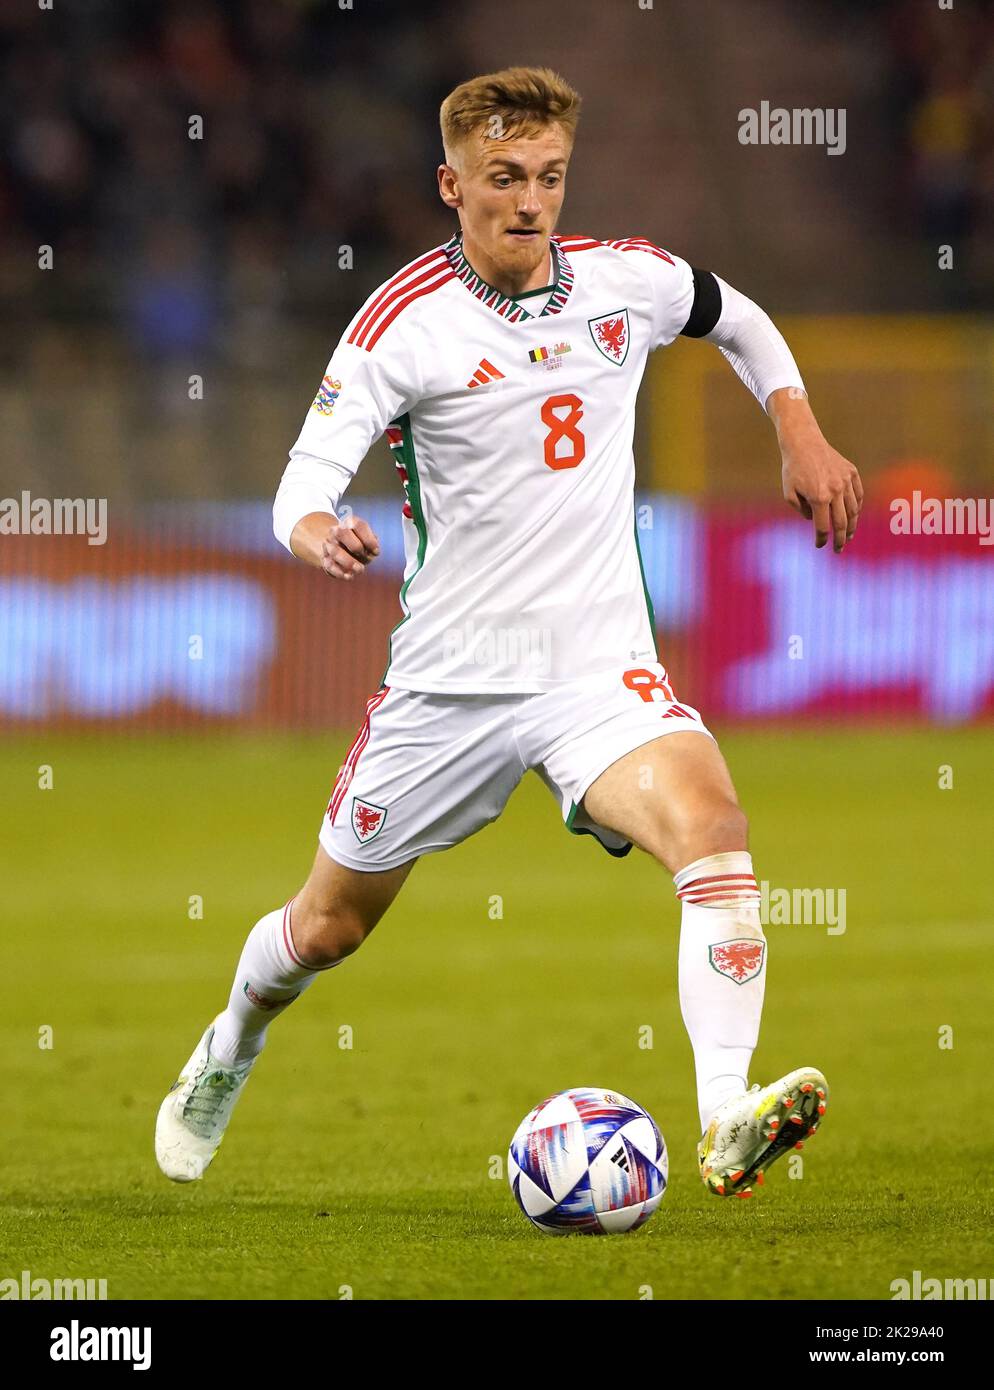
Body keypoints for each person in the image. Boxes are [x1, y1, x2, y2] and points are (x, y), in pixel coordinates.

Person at [156, 67, 860, 1200]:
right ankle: (228, 1045)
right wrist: (314, 529)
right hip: (449, 687)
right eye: (503, 180)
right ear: (452, 185)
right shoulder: (404, 322)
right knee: (327, 929)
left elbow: (739, 319)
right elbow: (301, 480)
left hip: (596, 674)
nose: (530, 202)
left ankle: (728, 1107)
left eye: (547, 178)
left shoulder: (625, 281)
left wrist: (799, 431)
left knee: (715, 825)